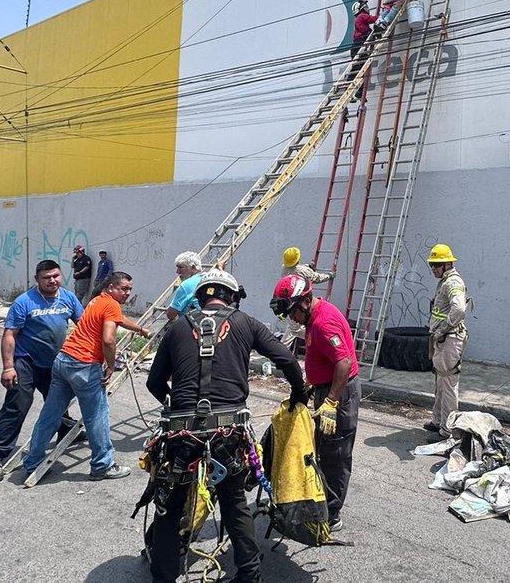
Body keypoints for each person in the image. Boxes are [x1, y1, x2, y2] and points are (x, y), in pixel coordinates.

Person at [143, 269, 305, 583]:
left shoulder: (177, 327)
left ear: (200, 296)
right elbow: (286, 358)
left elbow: (154, 382)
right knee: (233, 502)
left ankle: (163, 576)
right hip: (228, 432)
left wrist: (178, 406)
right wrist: (299, 394)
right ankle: (249, 573)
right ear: (231, 296)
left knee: (171, 504)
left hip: (181, 432)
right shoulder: (246, 323)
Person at [23, 272, 151, 481]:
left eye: (130, 289)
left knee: (50, 414)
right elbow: (108, 340)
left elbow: (118, 319)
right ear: (111, 287)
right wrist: (111, 366)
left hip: (63, 360)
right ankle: (103, 465)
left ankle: (32, 461)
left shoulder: (98, 301)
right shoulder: (111, 305)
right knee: (97, 417)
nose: (128, 293)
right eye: (123, 288)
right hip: (84, 365)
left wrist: (140, 329)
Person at [0, 260, 86, 483]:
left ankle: (65, 430)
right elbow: (10, 335)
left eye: (56, 276)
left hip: (53, 361)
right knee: (17, 405)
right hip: (25, 361)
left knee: (58, 401)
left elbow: (84, 325)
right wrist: (8, 367)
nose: (52, 281)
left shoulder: (68, 298)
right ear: (37, 279)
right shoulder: (24, 302)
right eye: (47, 277)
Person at [270, 274, 359, 532]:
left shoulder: (323, 323)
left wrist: (331, 401)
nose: (291, 318)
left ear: (305, 301)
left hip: (339, 394)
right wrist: (312, 380)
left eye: (292, 312)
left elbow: (344, 362)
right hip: (327, 388)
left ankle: (332, 514)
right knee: (321, 448)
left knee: (336, 454)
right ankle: (320, 501)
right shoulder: (313, 318)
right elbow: (326, 357)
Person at [425, 243, 468, 439]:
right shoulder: (445, 280)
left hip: (449, 339)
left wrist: (442, 329)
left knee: (448, 384)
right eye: (432, 264)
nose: (433, 268)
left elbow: (459, 309)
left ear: (448, 264)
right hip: (442, 340)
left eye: (437, 264)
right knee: (441, 382)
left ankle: (448, 431)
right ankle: (438, 421)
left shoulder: (452, 282)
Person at [278, 246, 334, 354]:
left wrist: (308, 266)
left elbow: (295, 269)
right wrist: (329, 276)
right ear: (298, 260)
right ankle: (320, 341)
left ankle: (281, 353)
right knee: (294, 329)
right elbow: (316, 278)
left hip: (288, 302)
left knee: (294, 328)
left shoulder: (284, 268)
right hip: (300, 304)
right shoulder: (303, 271)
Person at [164, 251, 203, 323]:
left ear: (193, 268)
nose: (177, 271)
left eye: (181, 267)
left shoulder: (187, 285)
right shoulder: (206, 278)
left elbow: (171, 314)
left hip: (191, 325)